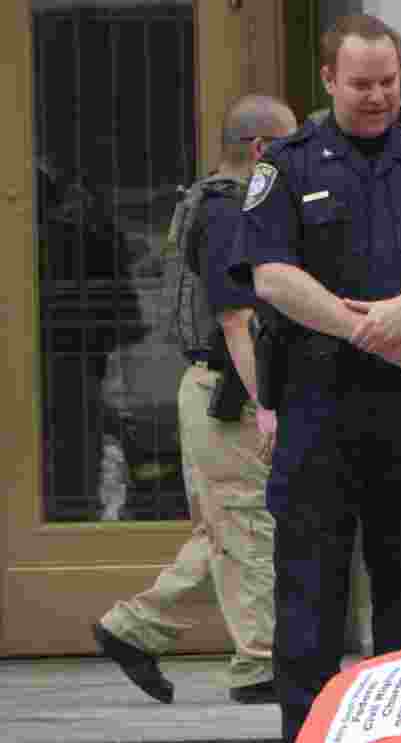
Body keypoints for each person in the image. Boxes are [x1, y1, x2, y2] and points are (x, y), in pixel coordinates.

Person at [228, 14, 401, 742]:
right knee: (308, 597)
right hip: (317, 412)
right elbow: (271, 275)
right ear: (327, 80)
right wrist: (363, 330)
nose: (377, 97)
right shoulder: (286, 164)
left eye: (389, 82)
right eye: (361, 84)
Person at [93, 94, 298, 705]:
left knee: (225, 528)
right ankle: (258, 666)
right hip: (229, 392)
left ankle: (131, 629)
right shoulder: (233, 211)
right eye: (288, 147)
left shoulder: (206, 201)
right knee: (248, 524)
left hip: (214, 388)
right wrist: (267, 406)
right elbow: (236, 320)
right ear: (262, 149)